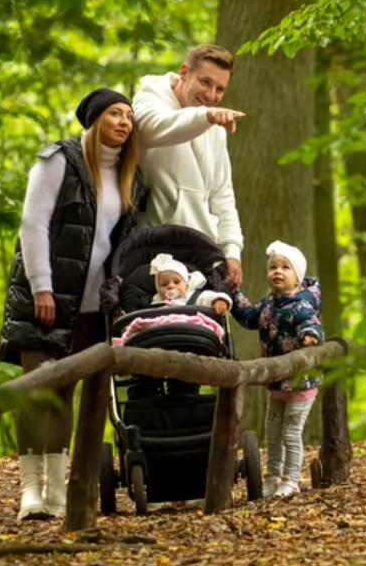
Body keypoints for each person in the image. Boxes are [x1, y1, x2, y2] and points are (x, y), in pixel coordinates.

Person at [0, 88, 148, 521]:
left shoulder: (129, 176)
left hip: (91, 311)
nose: (124, 122)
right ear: (95, 119)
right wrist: (41, 287)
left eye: (129, 116)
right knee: (36, 393)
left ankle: (57, 490)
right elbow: (32, 224)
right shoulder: (58, 160)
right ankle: (30, 491)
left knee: (64, 396)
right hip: (43, 300)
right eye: (115, 113)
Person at [132, 43, 248, 288]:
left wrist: (231, 250)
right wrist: (207, 117)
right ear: (185, 72)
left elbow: (222, 194)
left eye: (220, 89)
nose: (211, 96)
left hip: (203, 254)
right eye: (206, 82)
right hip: (152, 252)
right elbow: (158, 127)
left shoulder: (213, 124)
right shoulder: (148, 101)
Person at [229, 241, 324, 498]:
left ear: (297, 277)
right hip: (276, 384)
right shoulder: (269, 303)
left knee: (291, 434)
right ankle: (273, 477)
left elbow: (312, 324)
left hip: (300, 384)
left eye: (285, 267)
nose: (277, 272)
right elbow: (250, 317)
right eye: (273, 267)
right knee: (272, 435)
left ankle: (291, 480)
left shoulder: (301, 304)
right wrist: (234, 295)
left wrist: (310, 335)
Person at [149, 253, 232, 313]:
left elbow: (208, 297)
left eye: (176, 282)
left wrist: (219, 301)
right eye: (164, 284)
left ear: (186, 285)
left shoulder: (194, 296)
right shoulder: (157, 302)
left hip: (190, 329)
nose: (170, 286)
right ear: (158, 289)